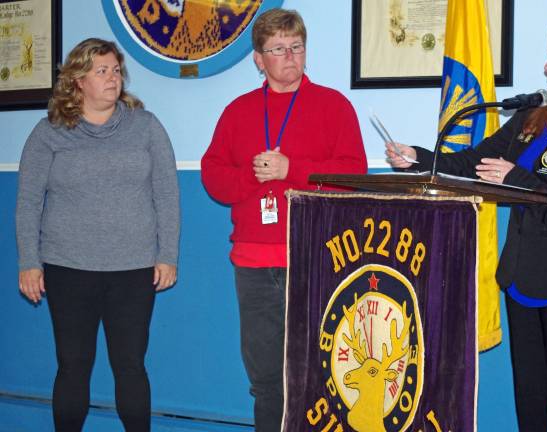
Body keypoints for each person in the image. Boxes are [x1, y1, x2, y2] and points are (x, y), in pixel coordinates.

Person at [386, 23, 547, 431]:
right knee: (529, 399)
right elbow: (470, 165)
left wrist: (517, 178)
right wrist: (418, 158)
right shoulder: (531, 119)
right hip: (520, 280)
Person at [201, 8, 367, 431]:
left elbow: (353, 175)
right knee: (266, 382)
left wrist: (290, 169)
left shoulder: (334, 105)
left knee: (320, 375)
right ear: (259, 58)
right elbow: (213, 175)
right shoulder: (238, 111)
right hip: (255, 267)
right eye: (277, 49)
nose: (289, 56)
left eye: (296, 47)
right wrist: (251, 177)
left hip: (317, 259)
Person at [16, 38, 180, 432]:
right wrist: (29, 262)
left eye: (116, 70)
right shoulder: (48, 133)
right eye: (101, 71)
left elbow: (167, 195)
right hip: (68, 269)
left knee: (130, 366)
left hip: (134, 269)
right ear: (77, 82)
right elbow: (27, 202)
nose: (112, 77)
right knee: (73, 366)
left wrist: (168, 255)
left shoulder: (147, 126)